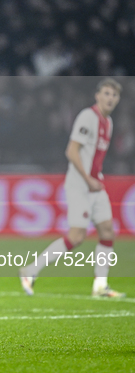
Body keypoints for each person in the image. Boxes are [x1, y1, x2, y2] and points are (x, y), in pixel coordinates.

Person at [20, 78, 124, 298]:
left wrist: (95, 179)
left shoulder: (109, 123)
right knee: (76, 237)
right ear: (97, 95)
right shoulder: (88, 117)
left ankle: (100, 286)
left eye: (114, 95)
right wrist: (87, 179)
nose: (110, 98)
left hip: (96, 184)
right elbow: (72, 151)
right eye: (106, 93)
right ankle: (31, 270)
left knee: (107, 232)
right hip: (81, 184)